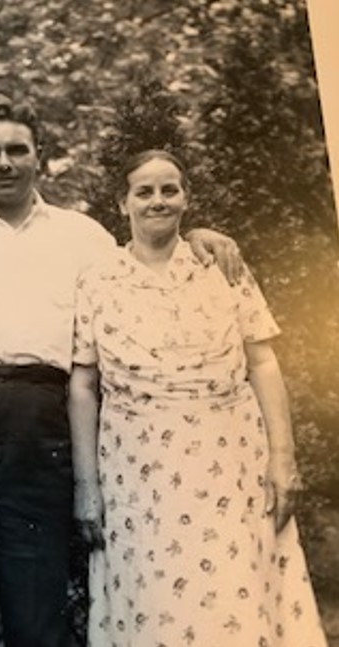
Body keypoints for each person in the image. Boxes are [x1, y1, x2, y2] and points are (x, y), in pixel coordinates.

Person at [0, 95, 242, 647]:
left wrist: (195, 238)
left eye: (17, 150)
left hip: (39, 417)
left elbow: (141, 268)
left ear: (38, 155)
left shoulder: (80, 236)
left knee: (37, 606)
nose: (4, 163)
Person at [69, 148, 328, 646]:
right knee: (156, 598)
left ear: (186, 199)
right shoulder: (97, 281)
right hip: (137, 469)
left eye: (170, 190)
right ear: (122, 203)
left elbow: (262, 362)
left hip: (230, 459)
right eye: (144, 192)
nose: (158, 201)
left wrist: (283, 458)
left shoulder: (223, 267)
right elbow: (82, 385)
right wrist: (87, 486)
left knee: (233, 589)